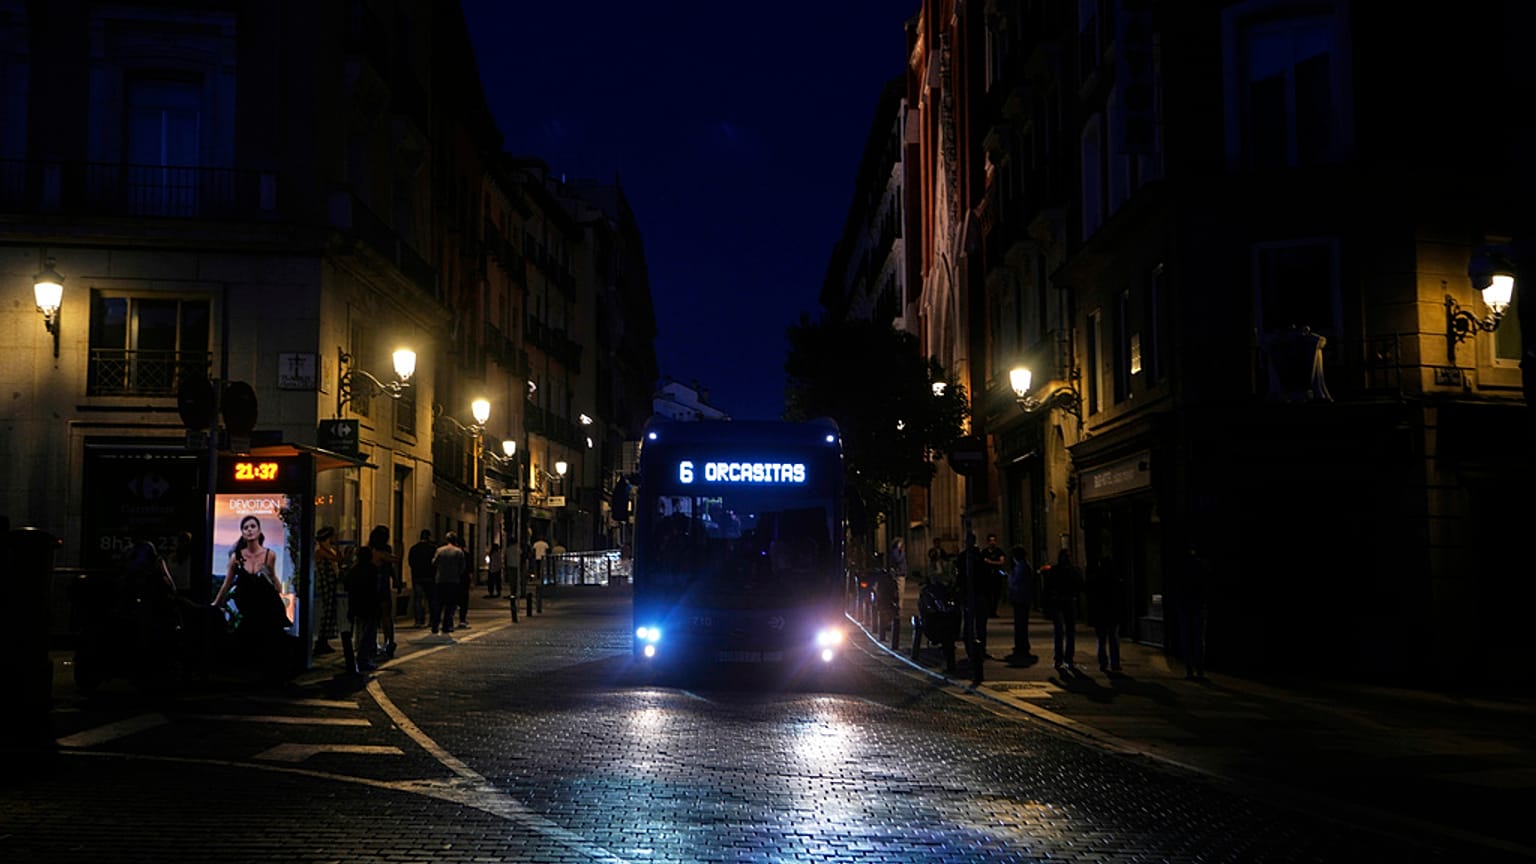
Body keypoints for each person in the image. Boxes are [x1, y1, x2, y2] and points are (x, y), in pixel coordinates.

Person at [212, 515, 287, 638]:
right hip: (246, 609)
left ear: (259, 530)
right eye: (245, 528)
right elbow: (227, 583)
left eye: (253, 526)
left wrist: (284, 599)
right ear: (242, 533)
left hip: (267, 607)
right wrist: (215, 604)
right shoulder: (236, 557)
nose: (249, 530)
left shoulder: (269, 555)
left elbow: (273, 578)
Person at [954, 532, 989, 685]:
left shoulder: (965, 557)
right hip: (979, 594)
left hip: (971, 595)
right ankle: (980, 650)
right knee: (980, 624)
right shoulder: (979, 557)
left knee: (970, 624)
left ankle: (973, 651)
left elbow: (960, 577)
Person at [1040, 548, 1083, 673]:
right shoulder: (1072, 570)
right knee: (1068, 631)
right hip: (1066, 601)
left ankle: (1060, 658)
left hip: (1059, 601)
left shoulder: (1055, 570)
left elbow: (1048, 588)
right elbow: (1080, 585)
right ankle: (1067, 658)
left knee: (1060, 631)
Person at [344, 535, 382, 670]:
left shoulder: (354, 570)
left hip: (355, 604)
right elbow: (376, 589)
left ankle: (354, 659)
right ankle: (363, 659)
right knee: (368, 634)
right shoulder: (372, 569)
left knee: (357, 632)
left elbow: (347, 585)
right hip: (369, 605)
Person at [1086, 553, 1125, 673]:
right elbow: (1119, 598)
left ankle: (1103, 663)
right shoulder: (1114, 579)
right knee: (1113, 639)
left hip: (1100, 614)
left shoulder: (1096, 578)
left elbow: (1092, 597)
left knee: (1101, 640)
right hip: (1112, 613)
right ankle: (1114, 663)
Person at [367, 525, 401, 659]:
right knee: (385, 616)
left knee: (374, 617)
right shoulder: (383, 552)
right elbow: (394, 561)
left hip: (373, 586)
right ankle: (388, 642)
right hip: (382, 586)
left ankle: (376, 643)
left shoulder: (371, 550)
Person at [1179, 545, 1212, 680]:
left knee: (1187, 639)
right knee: (1198, 640)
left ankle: (1189, 669)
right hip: (1198, 605)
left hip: (1186, 606)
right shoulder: (1202, 567)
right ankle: (1199, 670)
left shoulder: (1182, 568)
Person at [431, 531, 470, 636]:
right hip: (453, 580)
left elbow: (434, 562)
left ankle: (435, 625)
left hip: (440, 580)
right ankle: (446, 625)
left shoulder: (439, 550)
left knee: (438, 604)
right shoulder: (459, 552)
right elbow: (462, 567)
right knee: (450, 604)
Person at [1006, 544, 1038, 666]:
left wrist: (1009, 577)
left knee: (1020, 623)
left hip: (1020, 598)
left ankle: (1021, 645)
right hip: (1023, 598)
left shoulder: (1021, 567)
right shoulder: (1024, 566)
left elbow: (1014, 582)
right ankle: (1022, 644)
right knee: (1021, 623)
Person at [312, 526, 341, 656]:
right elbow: (335, 559)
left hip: (331, 583)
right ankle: (321, 640)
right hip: (324, 584)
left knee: (329, 611)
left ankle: (324, 640)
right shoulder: (320, 550)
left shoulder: (329, 549)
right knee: (325, 611)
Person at [407, 529, 436, 629]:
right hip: (430, 577)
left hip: (417, 577)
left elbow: (410, 562)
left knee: (418, 599)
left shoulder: (414, 548)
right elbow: (435, 563)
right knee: (431, 599)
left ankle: (418, 621)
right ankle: (432, 620)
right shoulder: (432, 549)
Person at [980, 533, 1008, 618]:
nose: (993, 542)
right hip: (987, 576)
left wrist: (990, 562)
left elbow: (1002, 562)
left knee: (996, 595)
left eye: (994, 540)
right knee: (988, 595)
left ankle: (993, 611)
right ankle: (989, 611)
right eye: (991, 541)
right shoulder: (984, 552)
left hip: (996, 576)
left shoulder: (999, 551)